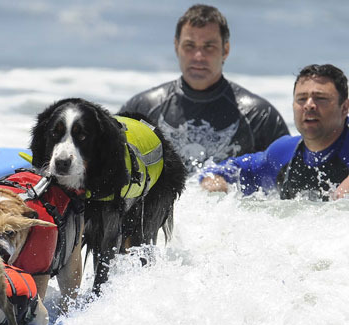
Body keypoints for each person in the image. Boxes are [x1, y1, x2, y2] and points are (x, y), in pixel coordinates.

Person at [118, 4, 289, 172]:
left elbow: (290, 186)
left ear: (226, 50)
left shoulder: (259, 117)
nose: (198, 56)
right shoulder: (143, 110)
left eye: (209, 46)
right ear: (177, 47)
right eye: (189, 46)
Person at [200, 64, 349, 201]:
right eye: (301, 99)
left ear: (344, 108)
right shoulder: (284, 153)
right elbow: (226, 170)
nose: (309, 105)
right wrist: (214, 180)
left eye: (320, 98)